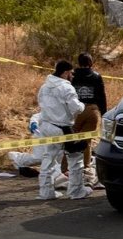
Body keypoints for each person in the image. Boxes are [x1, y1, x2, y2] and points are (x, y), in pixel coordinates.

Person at [36, 60, 91, 200]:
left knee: (48, 158)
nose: (72, 76)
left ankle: (46, 192)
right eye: (71, 73)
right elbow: (75, 108)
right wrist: (82, 106)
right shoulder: (67, 88)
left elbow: (41, 104)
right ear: (65, 73)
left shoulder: (44, 87)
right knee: (76, 156)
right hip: (62, 127)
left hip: (46, 125)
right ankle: (76, 191)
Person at [70, 52, 106, 188]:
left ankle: (65, 170)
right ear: (91, 63)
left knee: (70, 139)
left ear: (79, 63)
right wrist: (103, 114)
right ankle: (85, 169)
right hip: (92, 110)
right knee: (87, 141)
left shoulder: (72, 75)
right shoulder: (97, 76)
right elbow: (102, 96)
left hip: (76, 110)